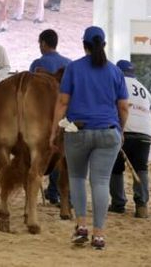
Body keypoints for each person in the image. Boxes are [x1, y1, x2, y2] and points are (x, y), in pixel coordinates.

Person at [50, 26, 128, 250]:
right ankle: (99, 235)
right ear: (103, 45)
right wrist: (120, 131)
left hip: (77, 131)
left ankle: (81, 226)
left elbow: (62, 103)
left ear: (84, 45)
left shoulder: (73, 68)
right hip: (108, 131)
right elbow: (123, 107)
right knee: (101, 182)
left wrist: (54, 131)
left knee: (77, 178)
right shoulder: (115, 72)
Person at [30, 29, 72, 205]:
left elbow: (31, 93)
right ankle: (57, 192)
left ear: (43, 43)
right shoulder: (69, 64)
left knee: (43, 151)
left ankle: (52, 192)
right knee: (61, 153)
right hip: (64, 115)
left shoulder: (37, 64)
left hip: (41, 116)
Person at [109, 60, 151, 218]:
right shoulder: (144, 89)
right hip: (145, 133)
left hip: (125, 130)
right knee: (141, 168)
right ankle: (142, 206)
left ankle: (118, 203)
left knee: (116, 168)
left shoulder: (116, 83)